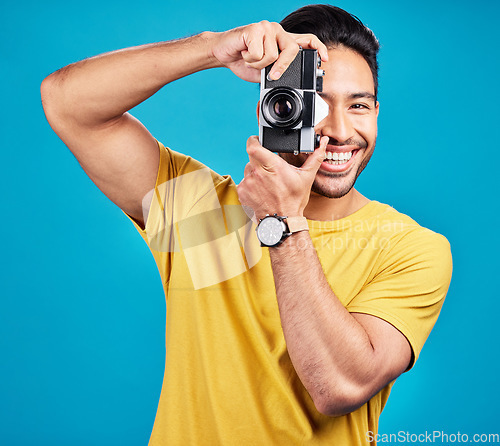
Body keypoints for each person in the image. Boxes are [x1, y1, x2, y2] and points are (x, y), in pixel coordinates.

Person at [41, 4, 452, 445]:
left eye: (359, 105)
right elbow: (67, 103)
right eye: (316, 103)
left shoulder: (409, 248)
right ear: (272, 107)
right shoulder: (202, 216)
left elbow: (340, 387)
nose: (339, 129)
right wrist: (209, 48)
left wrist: (283, 223)